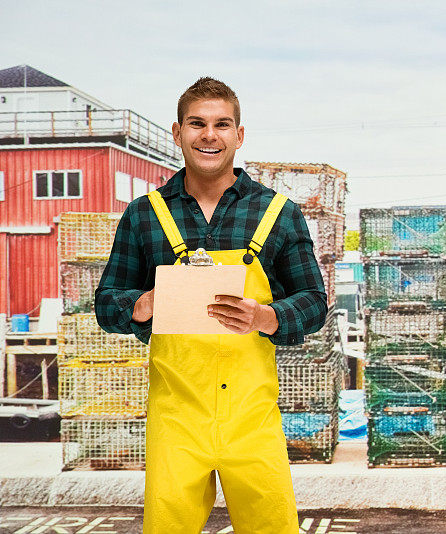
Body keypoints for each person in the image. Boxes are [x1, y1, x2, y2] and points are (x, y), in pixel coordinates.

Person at [95, 77, 327, 533]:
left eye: (222, 124)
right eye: (197, 123)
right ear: (177, 132)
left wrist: (267, 316)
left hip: (252, 416)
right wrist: (143, 303)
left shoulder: (278, 212)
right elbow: (106, 304)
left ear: (239, 135)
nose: (209, 135)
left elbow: (315, 303)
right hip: (176, 417)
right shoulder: (144, 213)